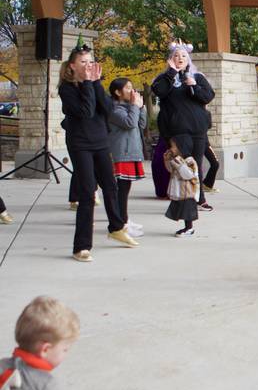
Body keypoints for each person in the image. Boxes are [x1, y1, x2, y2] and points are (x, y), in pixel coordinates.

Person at [59, 43, 138, 262]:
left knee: (110, 185)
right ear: (72, 66)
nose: (87, 65)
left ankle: (116, 227)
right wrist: (87, 84)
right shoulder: (66, 88)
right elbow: (86, 111)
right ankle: (81, 246)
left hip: (100, 141)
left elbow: (108, 109)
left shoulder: (93, 83)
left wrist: (94, 83)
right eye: (82, 62)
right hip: (80, 143)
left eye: (90, 61)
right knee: (87, 193)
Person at [151, 41, 215, 212]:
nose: (180, 59)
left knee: (197, 164)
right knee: (184, 166)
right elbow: (159, 91)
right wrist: (172, 73)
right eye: (176, 56)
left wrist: (194, 85)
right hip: (177, 131)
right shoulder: (164, 78)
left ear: (189, 59)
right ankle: (184, 202)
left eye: (183, 56)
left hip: (198, 129)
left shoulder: (197, 77)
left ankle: (200, 199)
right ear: (170, 59)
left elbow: (208, 96)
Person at [0, 296, 79, 390]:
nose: (66, 354)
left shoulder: (2, 365)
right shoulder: (46, 385)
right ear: (45, 349)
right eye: (65, 349)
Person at [107, 77, 147, 238]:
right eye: (128, 88)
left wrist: (141, 107)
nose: (132, 91)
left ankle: (124, 220)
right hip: (122, 153)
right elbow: (130, 122)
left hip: (131, 151)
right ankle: (121, 223)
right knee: (121, 190)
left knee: (125, 188)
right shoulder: (115, 109)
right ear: (117, 92)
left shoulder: (130, 107)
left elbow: (141, 125)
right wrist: (134, 107)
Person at [164, 135, 200, 237]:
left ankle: (189, 228)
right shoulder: (176, 160)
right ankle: (187, 227)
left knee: (187, 212)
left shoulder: (190, 161)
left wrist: (178, 162)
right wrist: (167, 160)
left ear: (182, 147)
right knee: (182, 211)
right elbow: (170, 170)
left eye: (174, 146)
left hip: (188, 193)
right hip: (181, 192)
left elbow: (188, 174)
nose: (171, 148)